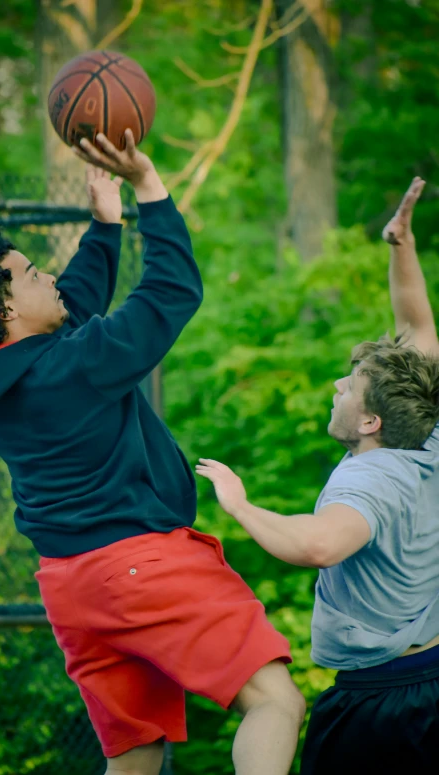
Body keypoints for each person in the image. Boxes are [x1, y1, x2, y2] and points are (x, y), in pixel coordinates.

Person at [0, 130, 305, 775]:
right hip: (141, 567)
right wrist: (150, 191)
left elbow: (70, 305)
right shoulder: (74, 364)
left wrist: (105, 225)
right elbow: (170, 295)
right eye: (32, 273)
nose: (48, 274)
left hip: (71, 587)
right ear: (5, 303)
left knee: (134, 756)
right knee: (275, 701)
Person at [196, 177, 439, 775]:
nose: (336, 388)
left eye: (348, 389)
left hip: (382, 706)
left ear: (370, 420)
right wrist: (400, 245)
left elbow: (318, 543)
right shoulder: (426, 433)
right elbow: (419, 327)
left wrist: (240, 506)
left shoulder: (371, 480)